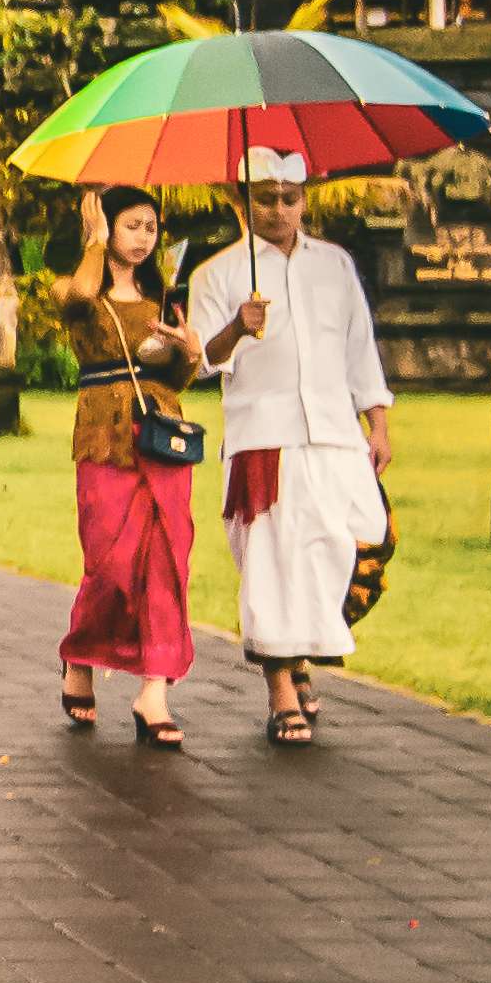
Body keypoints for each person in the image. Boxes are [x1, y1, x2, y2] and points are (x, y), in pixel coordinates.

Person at [187, 143, 396, 747]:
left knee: (352, 547)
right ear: (240, 201)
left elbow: (360, 348)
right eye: (264, 199)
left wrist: (376, 421)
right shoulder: (219, 273)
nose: (278, 210)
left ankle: (300, 652)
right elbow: (201, 362)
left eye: (289, 198)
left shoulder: (334, 265)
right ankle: (281, 688)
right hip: (264, 437)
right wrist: (237, 326)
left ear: (305, 199)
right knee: (276, 562)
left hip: (333, 433)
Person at [54, 188, 202, 745]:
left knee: (166, 558)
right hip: (102, 437)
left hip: (161, 438)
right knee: (110, 564)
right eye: (132, 225)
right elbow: (75, 302)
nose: (144, 237)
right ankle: (80, 656)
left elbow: (177, 378)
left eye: (151, 227)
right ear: (108, 228)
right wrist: (92, 244)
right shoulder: (78, 287)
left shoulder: (164, 300)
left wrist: (186, 348)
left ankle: (154, 692)